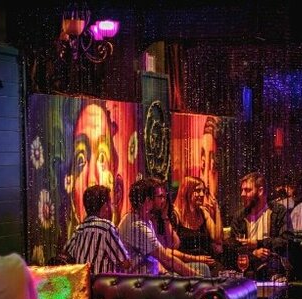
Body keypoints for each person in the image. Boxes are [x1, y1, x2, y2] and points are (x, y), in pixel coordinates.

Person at [117, 178, 212, 276]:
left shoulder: (142, 219)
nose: (164, 201)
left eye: (164, 197)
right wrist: (198, 278)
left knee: (203, 268)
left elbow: (173, 245)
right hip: (145, 283)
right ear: (148, 200)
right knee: (201, 274)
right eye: (160, 197)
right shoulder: (138, 226)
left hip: (153, 275)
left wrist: (164, 216)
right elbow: (166, 258)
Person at [65, 102, 122, 231]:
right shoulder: (107, 233)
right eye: (81, 160)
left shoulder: (76, 237)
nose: (92, 179)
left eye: (102, 158)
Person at [227, 172, 289, 278]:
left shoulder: (278, 211)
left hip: (274, 263)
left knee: (271, 265)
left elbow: (286, 240)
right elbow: (233, 246)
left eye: (247, 190)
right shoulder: (240, 216)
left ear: (260, 191)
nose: (242, 194)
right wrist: (254, 254)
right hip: (249, 266)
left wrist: (258, 243)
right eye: (242, 190)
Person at [63, 184, 130, 274]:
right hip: (100, 286)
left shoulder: (79, 228)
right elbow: (125, 263)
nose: (112, 208)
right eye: (110, 203)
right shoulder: (106, 227)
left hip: (83, 285)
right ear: (105, 206)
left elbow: (66, 253)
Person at [174, 176, 224, 264]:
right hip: (187, 264)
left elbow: (218, 239)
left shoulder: (203, 212)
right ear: (186, 192)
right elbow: (170, 250)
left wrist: (217, 210)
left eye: (203, 191)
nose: (202, 194)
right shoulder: (175, 215)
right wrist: (196, 259)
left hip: (208, 262)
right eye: (197, 190)